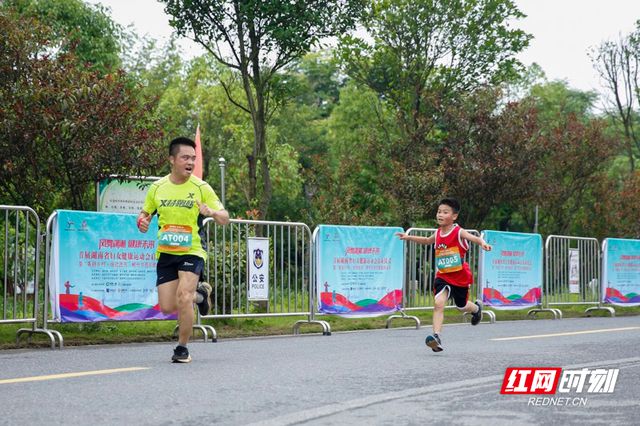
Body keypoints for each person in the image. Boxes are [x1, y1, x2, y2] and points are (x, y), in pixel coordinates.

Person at [137, 137, 229, 363]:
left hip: (192, 250)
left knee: (183, 296)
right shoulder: (157, 188)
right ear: (172, 159)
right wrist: (142, 222)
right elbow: (144, 214)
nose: (190, 162)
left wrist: (212, 213)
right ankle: (202, 295)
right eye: (185, 158)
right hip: (166, 252)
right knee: (168, 306)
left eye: (193, 159)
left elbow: (225, 218)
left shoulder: (201, 187)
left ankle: (182, 348)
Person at [396, 198, 491, 352]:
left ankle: (476, 309)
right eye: (439, 211)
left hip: (459, 277)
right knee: (439, 303)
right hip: (443, 275)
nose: (440, 215)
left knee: (461, 306)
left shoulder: (458, 231)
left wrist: (483, 243)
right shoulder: (438, 233)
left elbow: (475, 238)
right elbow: (427, 240)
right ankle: (436, 336)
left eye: (445, 212)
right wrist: (409, 237)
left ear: (454, 216)